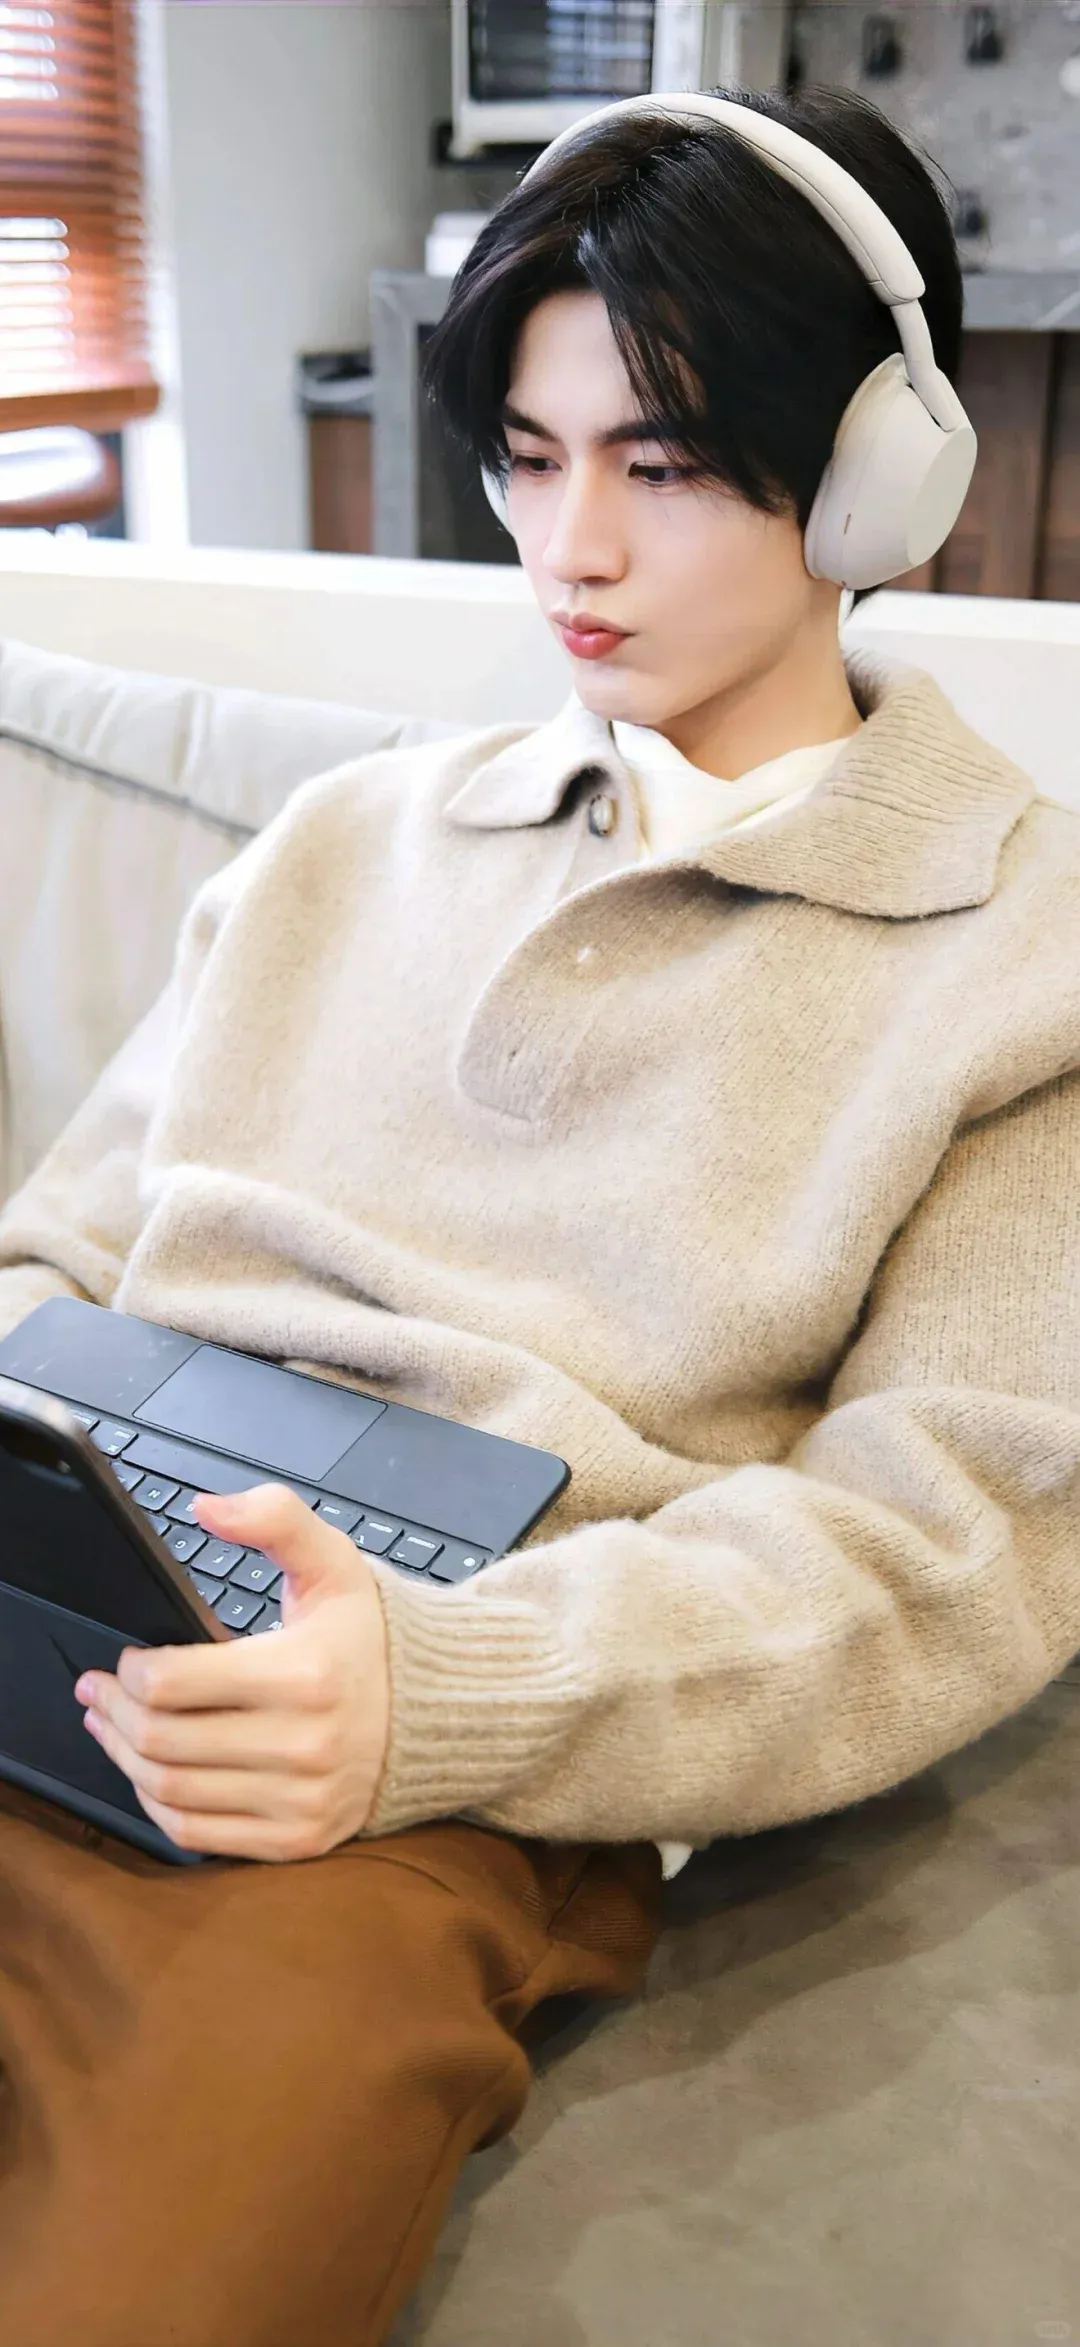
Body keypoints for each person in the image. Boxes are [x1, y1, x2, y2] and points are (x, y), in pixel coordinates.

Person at [1, 81, 1078, 2347]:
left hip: (421, 1751)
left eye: (660, 466)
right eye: (528, 455)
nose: (568, 547)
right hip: (71, 1592)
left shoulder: (1024, 961)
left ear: (875, 478)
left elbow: (945, 1545)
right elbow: (56, 1259)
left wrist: (447, 1696)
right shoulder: (342, 840)